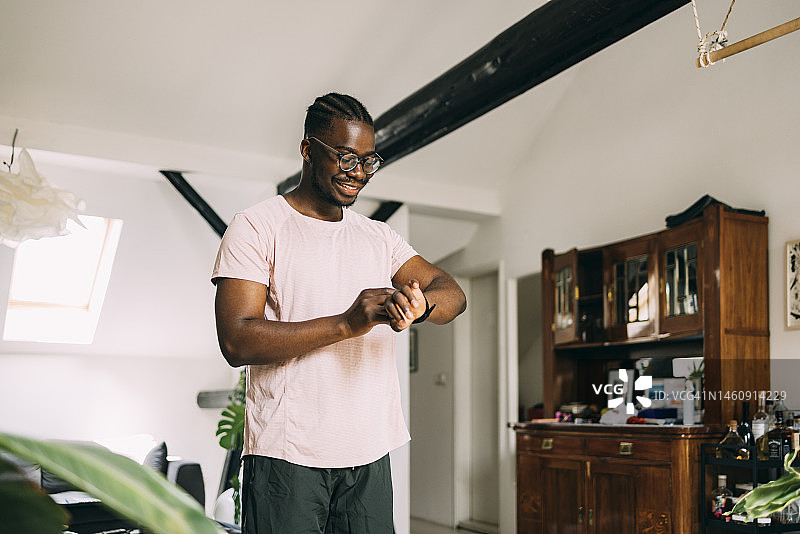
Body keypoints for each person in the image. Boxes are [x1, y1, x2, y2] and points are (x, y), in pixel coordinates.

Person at [211, 92, 467, 534]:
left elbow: (453, 294)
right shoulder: (257, 226)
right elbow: (237, 340)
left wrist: (421, 306)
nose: (359, 174)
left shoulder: (379, 238)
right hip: (286, 456)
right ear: (308, 150)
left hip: (369, 451)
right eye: (347, 158)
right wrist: (348, 324)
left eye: (369, 161)